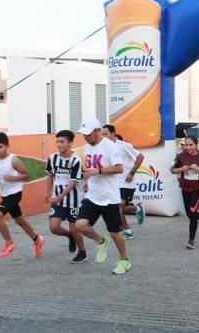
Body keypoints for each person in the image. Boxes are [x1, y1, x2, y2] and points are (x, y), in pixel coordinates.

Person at [75, 118, 130, 275]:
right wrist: (88, 180)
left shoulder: (110, 147)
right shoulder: (86, 148)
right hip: (92, 195)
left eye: (88, 134)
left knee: (115, 233)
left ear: (98, 131)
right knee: (80, 225)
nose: (86, 137)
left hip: (110, 197)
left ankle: (124, 259)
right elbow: (91, 169)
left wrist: (98, 171)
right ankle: (101, 241)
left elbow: (119, 168)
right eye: (83, 134)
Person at [0, 132, 44, 259]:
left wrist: (12, 178)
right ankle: (37, 239)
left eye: (0, 147)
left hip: (15, 193)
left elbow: (27, 175)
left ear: (7, 146)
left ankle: (9, 243)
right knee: (20, 220)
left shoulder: (14, 160)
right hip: (4, 194)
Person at [45, 130, 86, 263]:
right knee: (54, 227)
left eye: (62, 141)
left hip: (74, 201)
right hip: (58, 199)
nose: (58, 144)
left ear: (70, 143)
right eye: (57, 141)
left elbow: (72, 183)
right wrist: (48, 192)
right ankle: (69, 236)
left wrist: (59, 197)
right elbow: (50, 175)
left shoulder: (76, 161)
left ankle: (82, 252)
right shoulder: (53, 158)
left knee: (75, 228)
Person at [102, 125, 145, 239]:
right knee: (116, 208)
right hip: (113, 183)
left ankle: (128, 229)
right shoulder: (104, 148)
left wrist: (132, 173)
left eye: (105, 134)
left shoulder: (124, 146)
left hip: (126, 183)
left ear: (113, 133)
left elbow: (140, 157)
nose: (103, 137)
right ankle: (136, 211)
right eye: (102, 135)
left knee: (119, 207)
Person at [172, 135, 199, 249]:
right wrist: (181, 169)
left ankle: (191, 240)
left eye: (191, 145)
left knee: (193, 213)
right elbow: (172, 170)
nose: (188, 147)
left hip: (197, 188)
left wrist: (198, 168)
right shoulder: (180, 156)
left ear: (196, 145)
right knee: (189, 214)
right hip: (185, 187)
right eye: (186, 145)